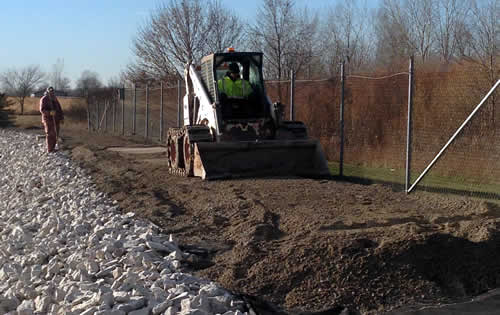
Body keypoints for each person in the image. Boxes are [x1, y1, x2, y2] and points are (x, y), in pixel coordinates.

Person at [39, 86, 64, 153]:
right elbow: (42, 110)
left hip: (56, 119)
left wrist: (61, 118)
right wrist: (49, 112)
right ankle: (50, 149)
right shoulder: (44, 99)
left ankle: (53, 147)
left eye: (52, 91)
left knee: (56, 133)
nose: (51, 92)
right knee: (50, 133)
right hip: (47, 119)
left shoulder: (55, 99)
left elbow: (59, 109)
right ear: (47, 91)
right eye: (50, 91)